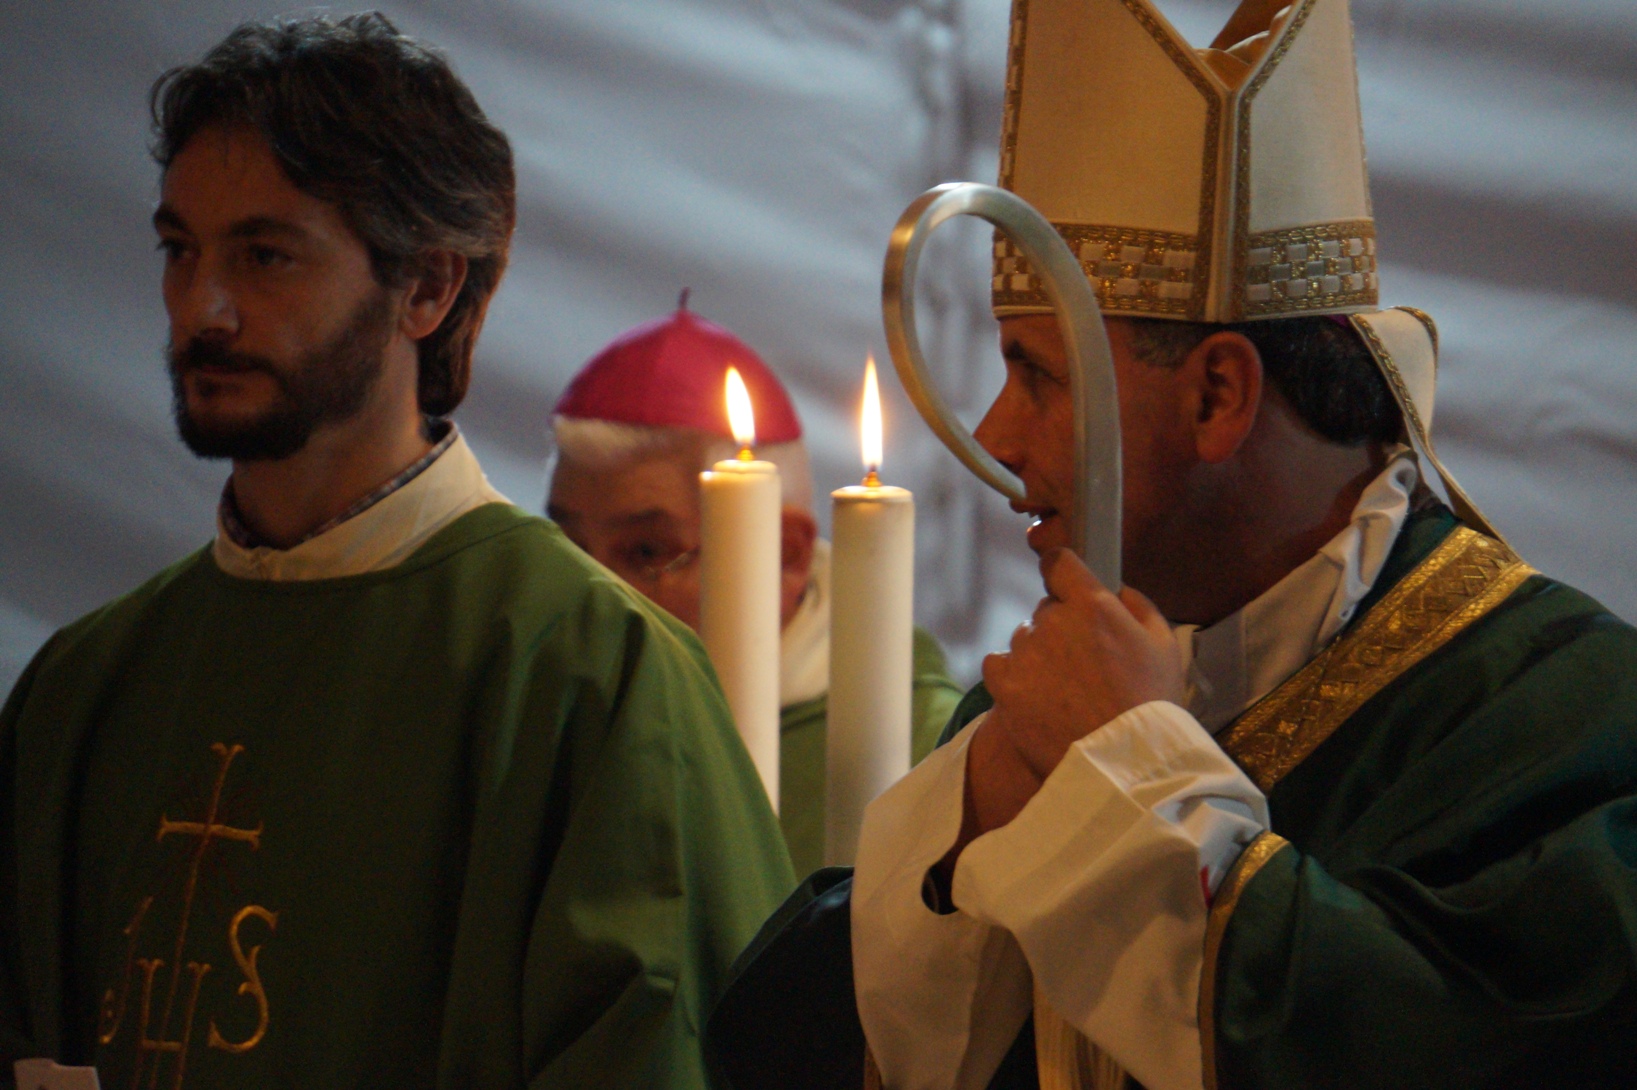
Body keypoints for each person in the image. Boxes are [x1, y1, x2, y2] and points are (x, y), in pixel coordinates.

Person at [706, 0, 1637, 1087]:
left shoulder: (1569, 716)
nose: (996, 436)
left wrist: (1128, 779)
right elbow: (766, 1055)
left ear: (1216, 397)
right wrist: (965, 833)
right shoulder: (1038, 701)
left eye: (1037, 375)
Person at [0, 15, 793, 1090]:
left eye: (264, 256)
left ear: (427, 288)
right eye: (180, 251)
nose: (204, 309)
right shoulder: (86, 688)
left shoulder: (591, 675)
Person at [545, 299, 964, 877]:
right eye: (567, 546)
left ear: (785, 554)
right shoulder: (540, 700)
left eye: (645, 553)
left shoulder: (930, 754)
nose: (594, 594)